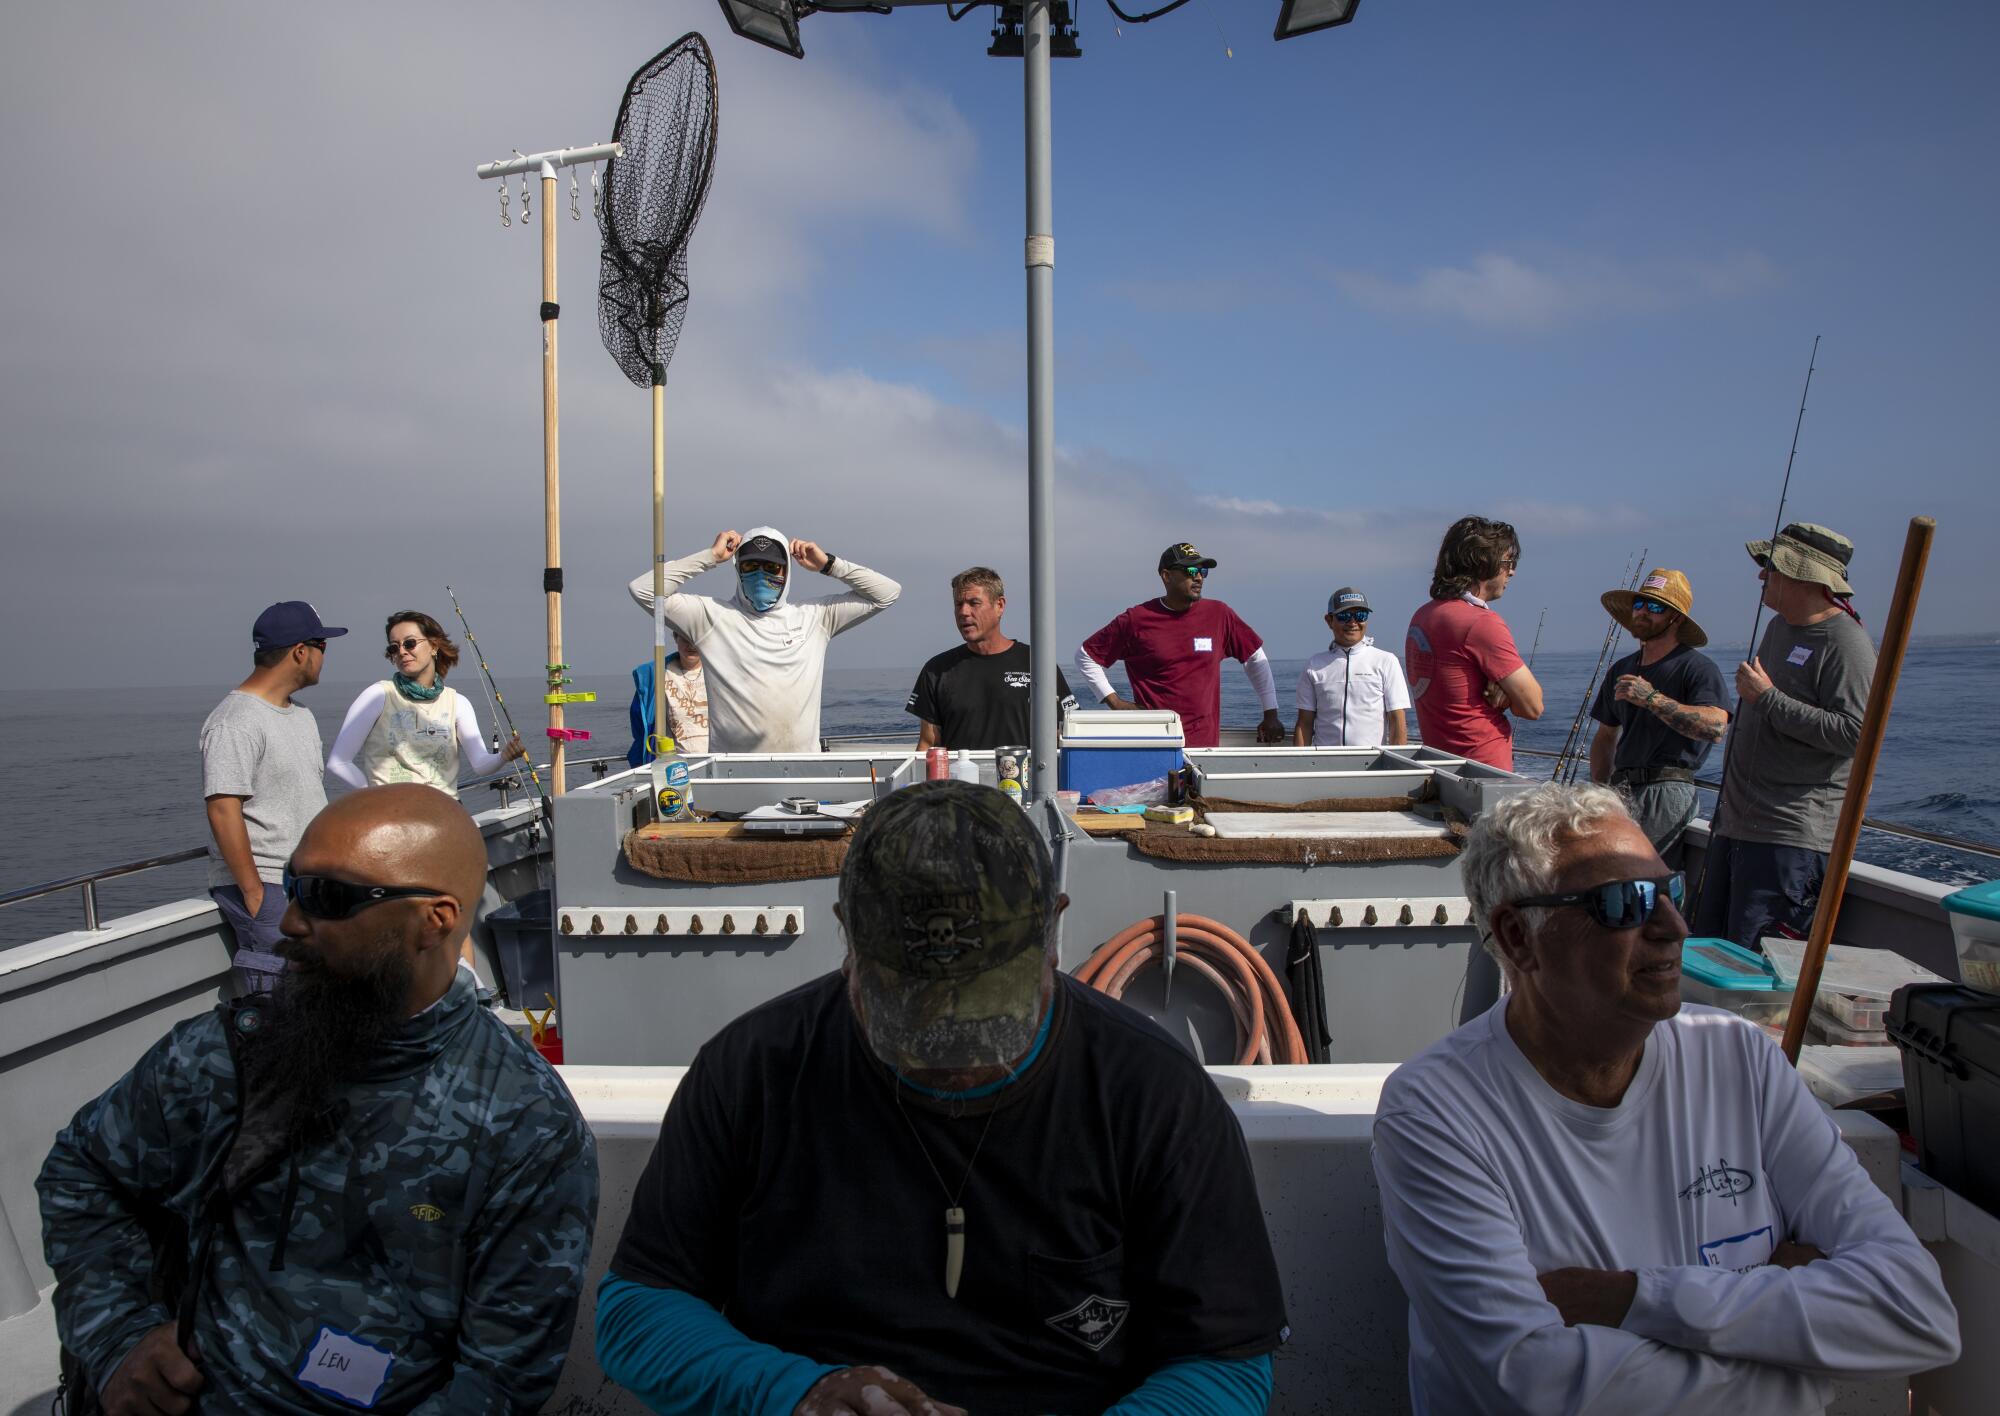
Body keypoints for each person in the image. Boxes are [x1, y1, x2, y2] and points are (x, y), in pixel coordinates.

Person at [596, 781, 1289, 1416]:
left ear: (1055, 930)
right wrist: (794, 1393)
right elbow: (637, 1309)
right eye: (916, 1023)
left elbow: (1226, 1365)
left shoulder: (1155, 1095)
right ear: (846, 937)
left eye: (991, 1016)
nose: (958, 1064)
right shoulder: (752, 1070)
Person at [1372, 782, 1958, 1415]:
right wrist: (1795, 1362)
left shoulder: (1740, 1060)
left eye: (1672, 891)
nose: (1674, 926)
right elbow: (1531, 1383)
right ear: (1518, 938)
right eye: (1627, 902)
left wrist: (1633, 1300)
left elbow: (1916, 1312)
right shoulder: (1436, 1112)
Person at [38, 785, 599, 1413]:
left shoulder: (524, 1125)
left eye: (327, 898)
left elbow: (498, 1382)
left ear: (433, 920)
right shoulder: (228, 1055)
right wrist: (119, 1338)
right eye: (292, 885)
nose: (290, 921)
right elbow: (81, 1172)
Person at [1693, 523, 1875, 952]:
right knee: (1708, 952)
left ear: (1804, 576)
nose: (1761, 576)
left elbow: (1855, 734)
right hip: (1738, 826)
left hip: (1788, 837)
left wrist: (1768, 699)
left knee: (1756, 962)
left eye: (1771, 567)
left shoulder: (1846, 643)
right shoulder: (1778, 628)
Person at [629, 526, 901, 754]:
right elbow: (643, 590)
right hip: (733, 780)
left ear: (786, 571)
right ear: (738, 568)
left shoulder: (815, 618)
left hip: (803, 778)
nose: (761, 574)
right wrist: (710, 557)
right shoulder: (711, 617)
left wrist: (829, 565)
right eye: (751, 565)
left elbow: (887, 593)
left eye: (772, 566)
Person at [201, 600, 345, 995]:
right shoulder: (234, 721)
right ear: (301, 651)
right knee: (278, 1011)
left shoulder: (302, 716)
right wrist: (254, 894)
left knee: (319, 1005)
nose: (323, 657)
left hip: (307, 886)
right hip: (269, 888)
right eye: (322, 646)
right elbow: (223, 808)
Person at [1073, 542, 1284, 747]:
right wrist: (1116, 703)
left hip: (1204, 747)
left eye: (1203, 571)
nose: (1199, 576)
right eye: (1191, 570)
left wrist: (1270, 713)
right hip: (1152, 745)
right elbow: (1086, 656)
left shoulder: (1219, 614)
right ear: (1166, 576)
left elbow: (1255, 657)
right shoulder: (1136, 619)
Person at [1587, 569, 1730, 864]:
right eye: (1639, 604)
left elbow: (1715, 727)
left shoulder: (1697, 668)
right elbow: (1605, 737)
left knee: (1643, 878)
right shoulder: (1621, 668)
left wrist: (1652, 699)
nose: (1642, 612)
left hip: (1666, 790)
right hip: (1621, 790)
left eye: (1655, 607)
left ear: (1675, 618)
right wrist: (1601, 793)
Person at [325, 610, 525, 798]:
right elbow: (339, 762)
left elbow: (480, 764)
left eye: (410, 643)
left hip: (445, 813)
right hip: (393, 817)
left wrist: (503, 756)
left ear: (434, 646)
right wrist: (378, 799)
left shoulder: (457, 702)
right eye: (394, 647)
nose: (402, 651)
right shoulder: (378, 695)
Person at [1403, 516, 1543, 768]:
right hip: (1484, 769)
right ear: (1482, 562)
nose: (1512, 571)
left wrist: (1502, 688)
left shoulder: (1422, 617)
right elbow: (1532, 707)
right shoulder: (1481, 623)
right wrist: (1510, 696)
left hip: (1440, 764)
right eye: (1507, 562)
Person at [906, 567, 1075, 751]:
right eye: (958, 604)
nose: (964, 612)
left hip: (1025, 779)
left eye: (974, 603)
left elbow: (1069, 732)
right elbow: (928, 743)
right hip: (961, 780)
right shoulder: (936, 670)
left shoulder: (1039, 664)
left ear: (999, 606)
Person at [1294, 586, 1411, 748]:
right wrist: (1302, 766)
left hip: (1372, 766)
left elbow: (1397, 719)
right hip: (1325, 764)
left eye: (1360, 615)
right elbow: (1304, 723)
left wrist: (1397, 766)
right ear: (1329, 620)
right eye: (1344, 616)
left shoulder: (1386, 661)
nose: (1353, 622)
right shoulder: (1314, 664)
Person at [628, 630, 711, 766]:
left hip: (717, 763)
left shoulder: (719, 675)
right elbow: (640, 729)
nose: (691, 645)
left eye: (695, 638)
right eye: (685, 638)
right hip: (675, 769)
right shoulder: (655, 675)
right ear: (675, 636)